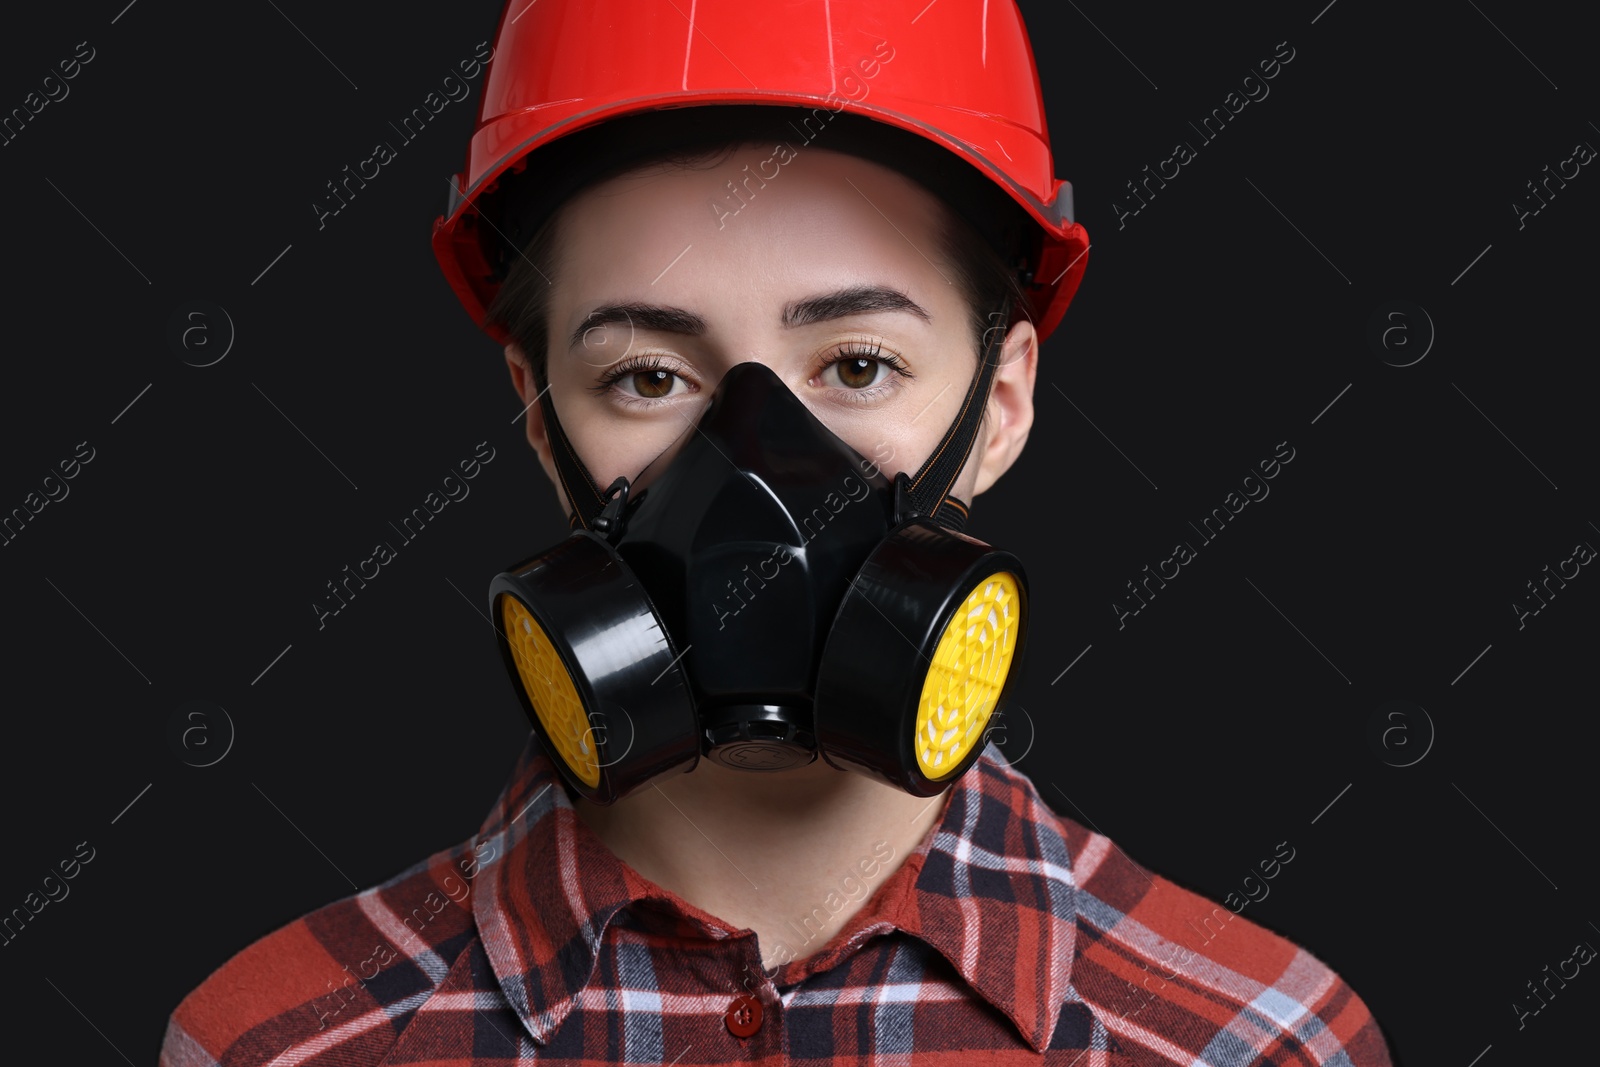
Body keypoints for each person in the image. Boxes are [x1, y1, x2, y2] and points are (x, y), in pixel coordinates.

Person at [159, 1, 1394, 1064]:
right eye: (646, 376)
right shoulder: (279, 1042)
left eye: (857, 362)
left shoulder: (1253, 1039)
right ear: (539, 420)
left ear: (1000, 404)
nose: (750, 459)